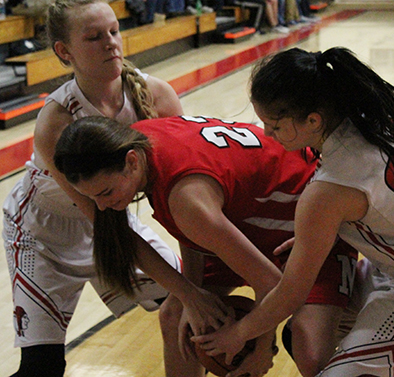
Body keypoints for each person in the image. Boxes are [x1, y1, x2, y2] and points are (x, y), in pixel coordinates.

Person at [192, 46, 394, 377]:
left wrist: (239, 333)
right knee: (302, 333)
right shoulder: (370, 118)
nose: (266, 134)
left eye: (273, 125)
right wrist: (317, 239)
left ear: (313, 120)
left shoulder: (329, 189)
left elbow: (290, 293)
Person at [53, 115, 360, 377]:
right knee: (176, 316)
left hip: (311, 226)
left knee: (311, 353)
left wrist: (261, 348)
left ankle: (369, 291)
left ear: (131, 162)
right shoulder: (138, 140)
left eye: (105, 192)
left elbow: (270, 284)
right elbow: (193, 235)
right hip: (249, 223)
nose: (102, 207)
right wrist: (191, 295)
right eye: (93, 197)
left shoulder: (185, 198)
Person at [2, 0, 184, 377]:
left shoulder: (156, 95)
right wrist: (190, 291)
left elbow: (182, 198)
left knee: (185, 309)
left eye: (114, 31)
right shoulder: (56, 120)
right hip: (43, 233)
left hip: (110, 216)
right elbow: (105, 222)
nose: (111, 43)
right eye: (94, 37)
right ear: (64, 52)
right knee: (42, 368)